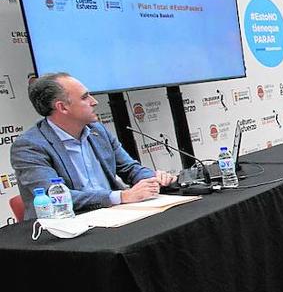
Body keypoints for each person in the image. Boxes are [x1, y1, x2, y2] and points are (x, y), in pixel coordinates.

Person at [10, 73, 176, 218]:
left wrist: (152, 179)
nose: (94, 102)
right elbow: (56, 196)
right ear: (63, 107)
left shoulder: (97, 131)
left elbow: (130, 168)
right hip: (69, 229)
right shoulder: (29, 146)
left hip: (116, 215)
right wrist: (122, 196)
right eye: (84, 97)